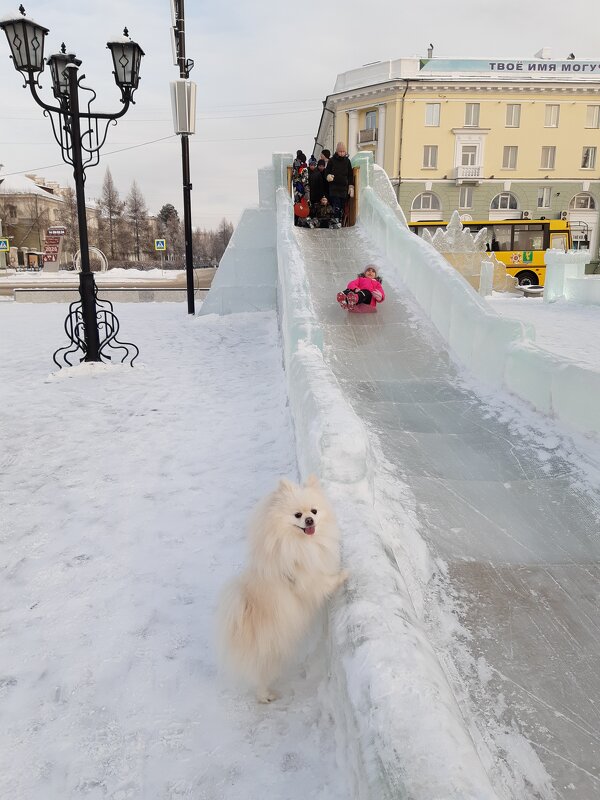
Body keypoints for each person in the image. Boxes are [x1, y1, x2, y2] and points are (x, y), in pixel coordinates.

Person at [325, 142, 354, 225]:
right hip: (334, 187)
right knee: (336, 205)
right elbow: (327, 171)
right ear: (337, 151)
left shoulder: (347, 161)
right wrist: (328, 176)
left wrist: (351, 186)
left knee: (342, 205)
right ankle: (336, 219)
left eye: (343, 151)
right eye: (340, 151)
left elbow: (350, 175)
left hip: (344, 188)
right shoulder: (332, 160)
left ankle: (339, 220)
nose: (341, 153)